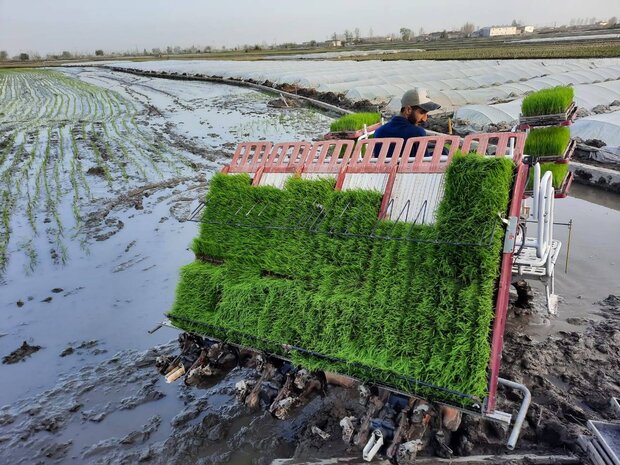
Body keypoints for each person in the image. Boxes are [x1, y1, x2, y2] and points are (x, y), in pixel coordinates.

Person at [373, 88, 441, 157]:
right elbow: (424, 163)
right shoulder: (417, 133)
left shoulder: (379, 131)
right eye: (422, 113)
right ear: (408, 110)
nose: (424, 119)